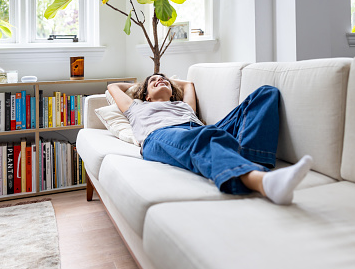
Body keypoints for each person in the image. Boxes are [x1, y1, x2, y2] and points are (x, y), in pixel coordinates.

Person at [107, 74, 313, 205]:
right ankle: (263, 182)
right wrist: (141, 83)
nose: (160, 80)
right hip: (161, 136)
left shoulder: (185, 107)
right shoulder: (137, 108)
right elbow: (113, 87)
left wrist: (164, 80)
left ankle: (250, 160)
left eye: (164, 80)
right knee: (205, 136)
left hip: (199, 131)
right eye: (154, 82)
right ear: (147, 96)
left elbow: (188, 84)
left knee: (266, 93)